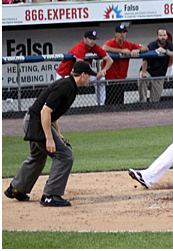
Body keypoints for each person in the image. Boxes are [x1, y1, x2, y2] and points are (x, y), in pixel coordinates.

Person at [4, 61, 97, 207]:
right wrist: (49, 138)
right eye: (89, 75)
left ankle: (17, 189)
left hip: (34, 120)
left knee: (38, 156)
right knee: (65, 155)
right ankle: (50, 195)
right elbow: (45, 111)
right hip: (36, 122)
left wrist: (57, 133)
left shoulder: (70, 86)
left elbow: (52, 114)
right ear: (83, 75)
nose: (90, 78)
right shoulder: (65, 86)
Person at [55, 30, 113, 106]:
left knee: (101, 79)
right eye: (90, 39)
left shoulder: (95, 47)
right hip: (65, 74)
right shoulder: (80, 47)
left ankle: (100, 104)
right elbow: (80, 66)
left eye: (94, 39)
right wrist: (96, 73)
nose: (92, 41)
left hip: (80, 74)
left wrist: (103, 71)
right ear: (84, 39)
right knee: (60, 96)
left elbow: (110, 60)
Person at [102, 24, 148, 105]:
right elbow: (104, 48)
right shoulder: (110, 42)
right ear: (116, 33)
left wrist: (138, 50)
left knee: (120, 103)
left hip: (121, 78)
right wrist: (121, 51)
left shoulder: (128, 44)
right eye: (120, 32)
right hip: (109, 79)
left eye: (124, 32)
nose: (122, 34)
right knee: (108, 103)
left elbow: (145, 47)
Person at [139, 28, 173, 103]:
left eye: (164, 35)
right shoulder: (152, 45)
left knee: (155, 100)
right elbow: (145, 59)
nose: (162, 37)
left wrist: (166, 51)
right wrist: (143, 72)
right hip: (148, 71)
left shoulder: (169, 45)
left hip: (159, 75)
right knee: (142, 79)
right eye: (160, 35)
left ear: (167, 37)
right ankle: (143, 103)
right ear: (157, 37)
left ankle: (152, 110)